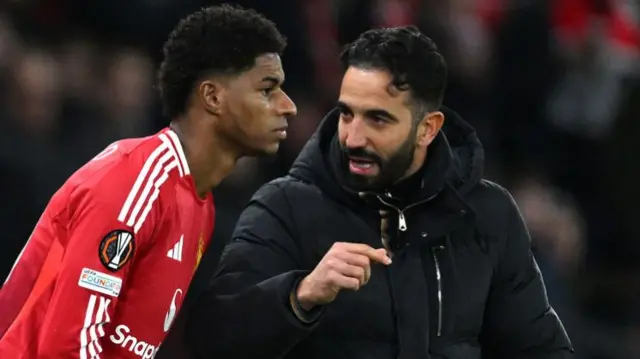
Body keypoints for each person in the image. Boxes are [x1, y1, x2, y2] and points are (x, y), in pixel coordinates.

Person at [186, 26, 573, 359]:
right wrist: (300, 295)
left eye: (378, 119)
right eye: (346, 113)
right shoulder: (284, 207)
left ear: (428, 128)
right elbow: (213, 341)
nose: (353, 137)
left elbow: (538, 347)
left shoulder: (487, 214)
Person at [0, 4, 296, 358]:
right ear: (213, 97)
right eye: (268, 89)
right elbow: (67, 348)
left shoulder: (199, 206)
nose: (288, 106)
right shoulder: (136, 181)